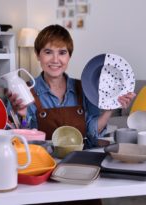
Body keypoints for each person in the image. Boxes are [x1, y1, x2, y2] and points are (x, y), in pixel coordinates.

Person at [7, 24, 135, 148]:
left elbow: (92, 133)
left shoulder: (85, 88)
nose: (55, 60)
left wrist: (110, 107)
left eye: (62, 52)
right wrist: (22, 115)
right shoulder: (23, 92)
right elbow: (16, 142)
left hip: (80, 160)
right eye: (48, 52)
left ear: (69, 56)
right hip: (42, 162)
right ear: (37, 54)